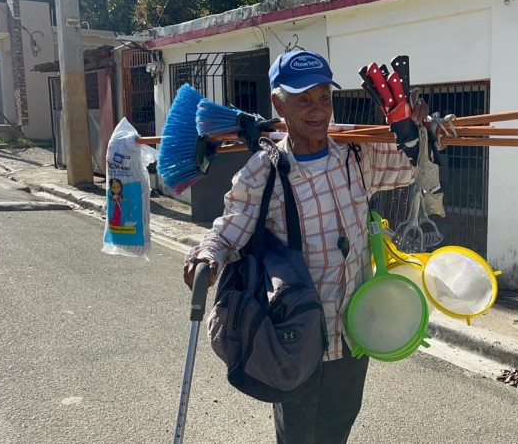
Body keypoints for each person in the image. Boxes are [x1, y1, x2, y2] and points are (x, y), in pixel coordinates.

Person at [183, 50, 428, 443]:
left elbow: (407, 167)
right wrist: (206, 256)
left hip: (353, 333)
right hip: (297, 336)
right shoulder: (264, 171)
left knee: (338, 427)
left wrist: (412, 133)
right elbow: (230, 228)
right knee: (298, 435)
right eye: (303, 101)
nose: (317, 111)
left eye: (324, 99)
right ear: (279, 104)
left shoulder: (355, 154)